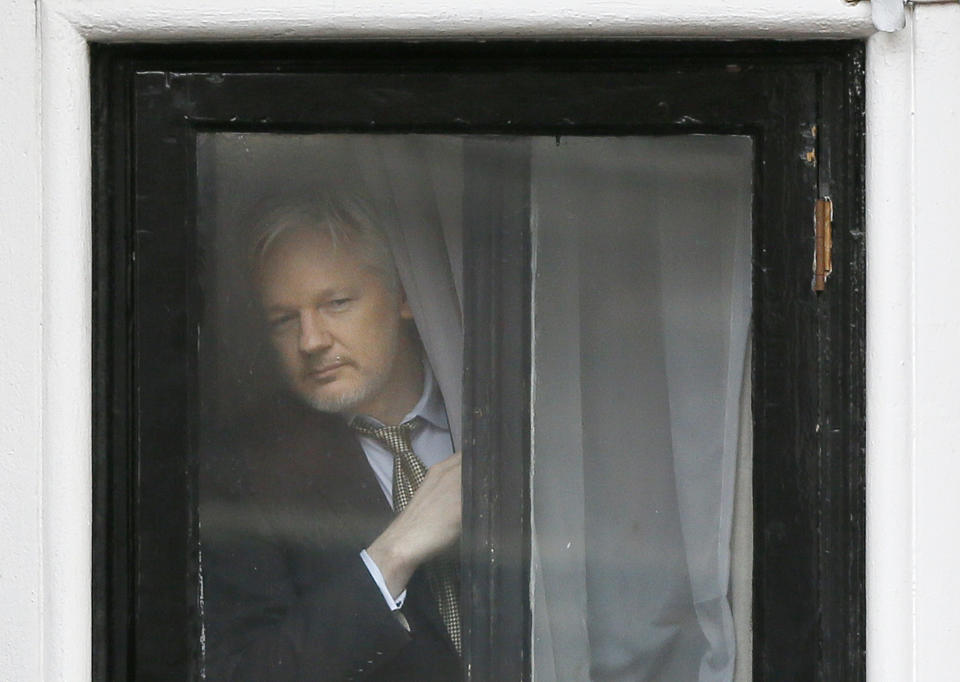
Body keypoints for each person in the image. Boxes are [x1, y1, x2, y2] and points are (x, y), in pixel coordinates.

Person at [200, 194, 463, 681]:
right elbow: (247, 673)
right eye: (284, 319)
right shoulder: (246, 472)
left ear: (405, 295)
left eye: (336, 303)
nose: (311, 341)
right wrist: (391, 556)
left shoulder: (491, 412)